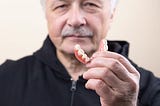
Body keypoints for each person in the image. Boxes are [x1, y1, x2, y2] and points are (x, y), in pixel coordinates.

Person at [0, 0, 160, 106]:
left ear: (111, 15)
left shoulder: (152, 89)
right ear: (46, 15)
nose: (75, 20)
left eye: (90, 4)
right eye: (61, 6)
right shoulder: (5, 77)